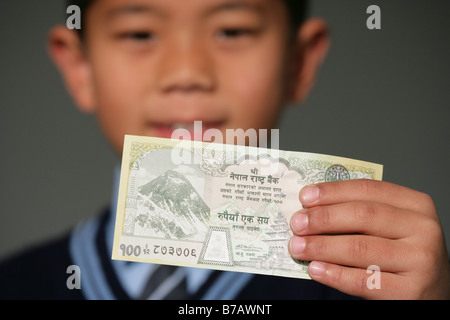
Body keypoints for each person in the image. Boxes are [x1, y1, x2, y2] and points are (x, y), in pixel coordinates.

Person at [0, 0, 449, 300]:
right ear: (79, 67)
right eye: (139, 34)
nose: (187, 72)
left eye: (232, 30)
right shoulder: (16, 285)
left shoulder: (374, 284)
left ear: (300, 62)